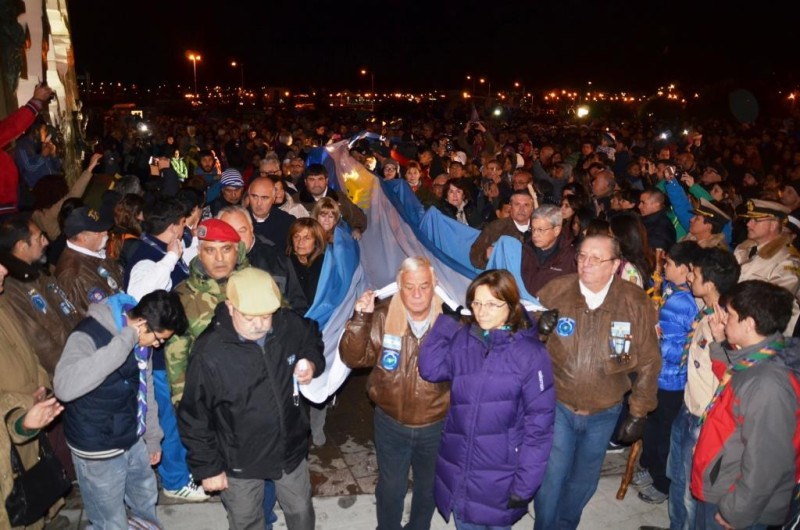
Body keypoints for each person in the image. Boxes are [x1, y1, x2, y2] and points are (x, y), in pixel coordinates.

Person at [178, 267, 325, 530]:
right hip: (239, 460)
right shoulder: (209, 352)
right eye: (249, 317)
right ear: (230, 307)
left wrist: (311, 362)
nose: (259, 324)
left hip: (289, 449)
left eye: (266, 316)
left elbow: (311, 336)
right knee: (246, 522)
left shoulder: (286, 323)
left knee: (302, 512)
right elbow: (193, 417)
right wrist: (208, 468)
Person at [532, 234, 661, 530]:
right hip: (559, 405)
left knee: (583, 480)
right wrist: (535, 330)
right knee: (551, 476)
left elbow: (649, 361)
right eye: (582, 256)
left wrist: (639, 410)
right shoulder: (555, 291)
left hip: (605, 410)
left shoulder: (634, 301)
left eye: (596, 258)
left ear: (615, 265)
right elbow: (525, 348)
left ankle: (565, 525)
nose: (585, 264)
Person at [419, 269, 556, 529]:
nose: (482, 311)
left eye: (492, 304)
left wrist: (526, 484)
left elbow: (540, 428)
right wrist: (445, 324)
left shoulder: (530, 354)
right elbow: (430, 369)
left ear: (512, 305)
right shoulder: (465, 340)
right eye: (477, 303)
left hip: (501, 476)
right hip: (460, 468)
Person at [54, 289, 188, 530]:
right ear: (142, 324)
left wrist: (153, 437)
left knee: (145, 495)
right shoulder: (88, 334)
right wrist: (124, 341)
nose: (158, 346)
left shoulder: (143, 344)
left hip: (129, 433)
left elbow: (145, 392)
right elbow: (64, 388)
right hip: (96, 445)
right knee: (110, 518)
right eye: (158, 339)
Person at [339, 256, 449, 530]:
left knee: (428, 487)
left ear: (434, 284)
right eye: (410, 286)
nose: (417, 294)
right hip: (390, 423)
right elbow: (352, 357)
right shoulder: (382, 317)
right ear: (399, 285)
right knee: (390, 486)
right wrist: (360, 318)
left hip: (434, 425)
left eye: (424, 286)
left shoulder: (449, 325)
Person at [691, 280, 800, 529]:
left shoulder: (768, 384)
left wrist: (735, 512)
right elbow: (731, 376)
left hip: (733, 501)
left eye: (730, 315)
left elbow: (767, 462)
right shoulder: (757, 358)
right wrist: (720, 341)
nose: (725, 319)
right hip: (724, 485)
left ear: (749, 323)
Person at [658, 247, 741, 530]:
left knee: (694, 493)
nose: (689, 276)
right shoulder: (705, 312)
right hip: (688, 409)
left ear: (710, 283)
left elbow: (733, 376)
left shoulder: (729, 324)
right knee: (678, 479)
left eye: (695, 273)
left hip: (706, 420)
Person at [0, 258, 66, 529]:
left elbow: (28, 352)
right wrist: (22, 416)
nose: (5, 270)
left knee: (31, 496)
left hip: (28, 415)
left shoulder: (3, 302)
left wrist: (43, 390)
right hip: (13, 425)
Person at [634, 241, 699, 506]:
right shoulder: (673, 291)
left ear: (685, 269)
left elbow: (676, 348)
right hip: (660, 376)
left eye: (669, 264)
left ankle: (662, 483)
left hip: (672, 379)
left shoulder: (685, 303)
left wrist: (652, 332)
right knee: (652, 425)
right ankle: (649, 468)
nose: (664, 267)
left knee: (663, 433)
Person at [0, 214, 80, 376]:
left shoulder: (39, 272)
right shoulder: (12, 290)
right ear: (22, 246)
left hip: (81, 351)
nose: (46, 242)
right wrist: (76, 371)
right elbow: (42, 345)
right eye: (39, 238)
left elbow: (69, 308)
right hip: (68, 371)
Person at [218, 205, 309, 313]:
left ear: (251, 229)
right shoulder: (211, 263)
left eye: (242, 230)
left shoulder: (276, 258)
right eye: (229, 232)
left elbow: (298, 306)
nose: (236, 238)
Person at [54, 206, 122, 316]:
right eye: (99, 231)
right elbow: (98, 318)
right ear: (83, 238)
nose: (106, 233)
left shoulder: (96, 251)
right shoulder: (73, 274)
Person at [0, 83, 54, 216]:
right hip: (7, 208)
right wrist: (36, 101)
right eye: (43, 129)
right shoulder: (24, 146)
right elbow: (11, 126)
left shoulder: (33, 145)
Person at [297, 163, 367, 239]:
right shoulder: (296, 200)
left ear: (326, 180)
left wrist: (356, 229)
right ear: (305, 181)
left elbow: (357, 216)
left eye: (320, 179)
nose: (316, 184)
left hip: (335, 242)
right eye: (312, 180)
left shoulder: (339, 198)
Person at [520, 204, 577, 296]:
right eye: (533, 229)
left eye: (541, 230)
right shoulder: (524, 251)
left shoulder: (570, 259)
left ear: (556, 230)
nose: (535, 235)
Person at [469, 190, 535, 269]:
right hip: (505, 277)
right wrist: (486, 256)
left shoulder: (540, 228)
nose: (521, 209)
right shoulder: (496, 228)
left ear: (532, 208)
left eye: (526, 205)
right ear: (511, 207)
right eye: (517, 204)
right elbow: (474, 257)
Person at [286, 218, 327, 306]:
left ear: (316, 242)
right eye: (296, 237)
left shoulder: (325, 266)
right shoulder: (284, 263)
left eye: (307, 238)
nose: (300, 242)